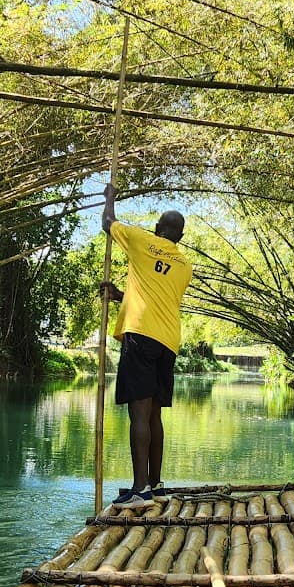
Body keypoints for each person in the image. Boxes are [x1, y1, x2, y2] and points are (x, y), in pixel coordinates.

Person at [100, 182, 190, 511]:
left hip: (140, 336)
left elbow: (108, 223)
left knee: (138, 414)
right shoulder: (184, 266)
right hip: (167, 342)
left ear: (156, 228)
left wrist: (110, 198)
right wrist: (120, 296)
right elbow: (158, 298)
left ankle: (140, 491)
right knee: (154, 416)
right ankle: (156, 485)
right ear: (178, 237)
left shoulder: (141, 240)